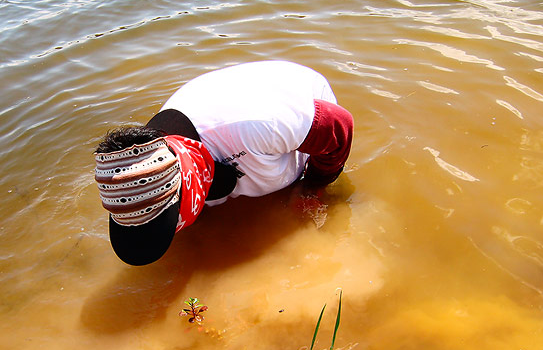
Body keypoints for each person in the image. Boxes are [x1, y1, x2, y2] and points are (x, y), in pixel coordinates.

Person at [94, 60, 353, 265]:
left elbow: (338, 127)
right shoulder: (139, 167)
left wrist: (314, 186)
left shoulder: (254, 126)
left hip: (299, 109)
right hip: (224, 132)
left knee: (283, 184)